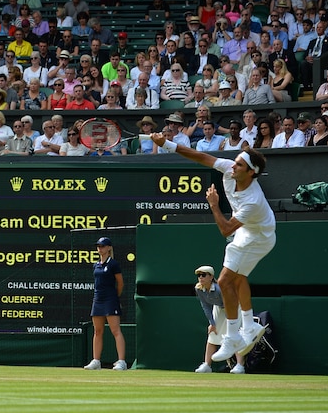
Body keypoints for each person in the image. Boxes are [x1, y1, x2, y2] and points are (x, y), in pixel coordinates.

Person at [150, 134, 273, 362]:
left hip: (259, 236)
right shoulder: (231, 170)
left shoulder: (252, 201)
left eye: (240, 165)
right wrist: (165, 144)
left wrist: (214, 206)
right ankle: (249, 327)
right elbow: (198, 155)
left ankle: (233, 336)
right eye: (235, 162)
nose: (233, 166)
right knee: (238, 276)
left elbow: (225, 229)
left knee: (225, 281)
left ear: (251, 172)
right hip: (246, 232)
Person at [84, 237, 127, 371]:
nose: (100, 248)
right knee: (97, 331)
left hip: (110, 300)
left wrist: (115, 297)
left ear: (109, 248)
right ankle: (96, 361)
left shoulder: (113, 264)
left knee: (115, 330)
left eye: (102, 246)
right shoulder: (95, 265)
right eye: (98, 246)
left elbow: (120, 283)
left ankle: (121, 362)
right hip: (97, 300)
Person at [193, 265, 245, 374]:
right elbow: (205, 306)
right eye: (199, 275)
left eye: (203, 275)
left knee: (233, 334)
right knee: (213, 334)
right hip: (219, 307)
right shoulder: (199, 289)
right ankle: (207, 365)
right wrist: (212, 323)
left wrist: (230, 321)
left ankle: (240, 366)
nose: (200, 278)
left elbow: (229, 303)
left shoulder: (219, 289)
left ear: (211, 277)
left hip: (234, 306)